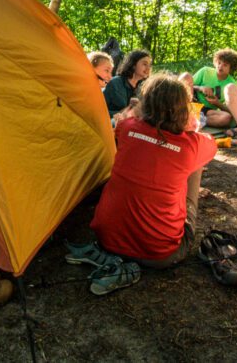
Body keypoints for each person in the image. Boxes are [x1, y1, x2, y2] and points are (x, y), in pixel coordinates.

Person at [91, 72, 218, 268]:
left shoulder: (127, 127)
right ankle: (183, 211)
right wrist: (190, 127)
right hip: (159, 253)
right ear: (183, 107)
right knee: (196, 164)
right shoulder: (191, 144)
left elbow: (128, 123)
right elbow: (211, 145)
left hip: (107, 240)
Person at [180, 49, 237, 133]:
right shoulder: (205, 71)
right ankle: (184, 113)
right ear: (215, 62)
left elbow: (233, 110)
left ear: (231, 68)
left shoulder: (232, 84)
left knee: (226, 117)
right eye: (219, 63)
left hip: (206, 112)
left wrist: (217, 103)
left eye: (225, 65)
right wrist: (200, 88)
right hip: (191, 103)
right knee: (185, 76)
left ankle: (196, 120)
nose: (220, 66)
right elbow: (188, 85)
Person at [103, 49, 152, 123]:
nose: (148, 68)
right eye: (144, 64)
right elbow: (99, 111)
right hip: (110, 126)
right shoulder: (114, 83)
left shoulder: (145, 88)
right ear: (133, 65)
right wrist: (129, 108)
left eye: (150, 65)